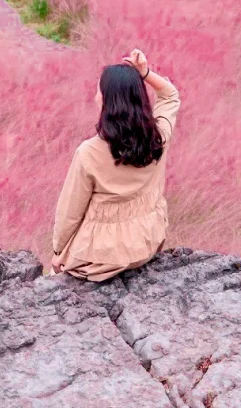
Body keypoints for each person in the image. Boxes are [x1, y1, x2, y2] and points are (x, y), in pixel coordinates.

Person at [51, 49, 181, 282]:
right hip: (146, 242)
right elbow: (170, 95)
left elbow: (70, 213)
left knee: (53, 278)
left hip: (102, 257)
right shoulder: (158, 137)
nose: (95, 95)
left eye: (99, 91)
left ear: (107, 100)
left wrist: (59, 251)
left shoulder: (89, 152)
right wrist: (145, 73)